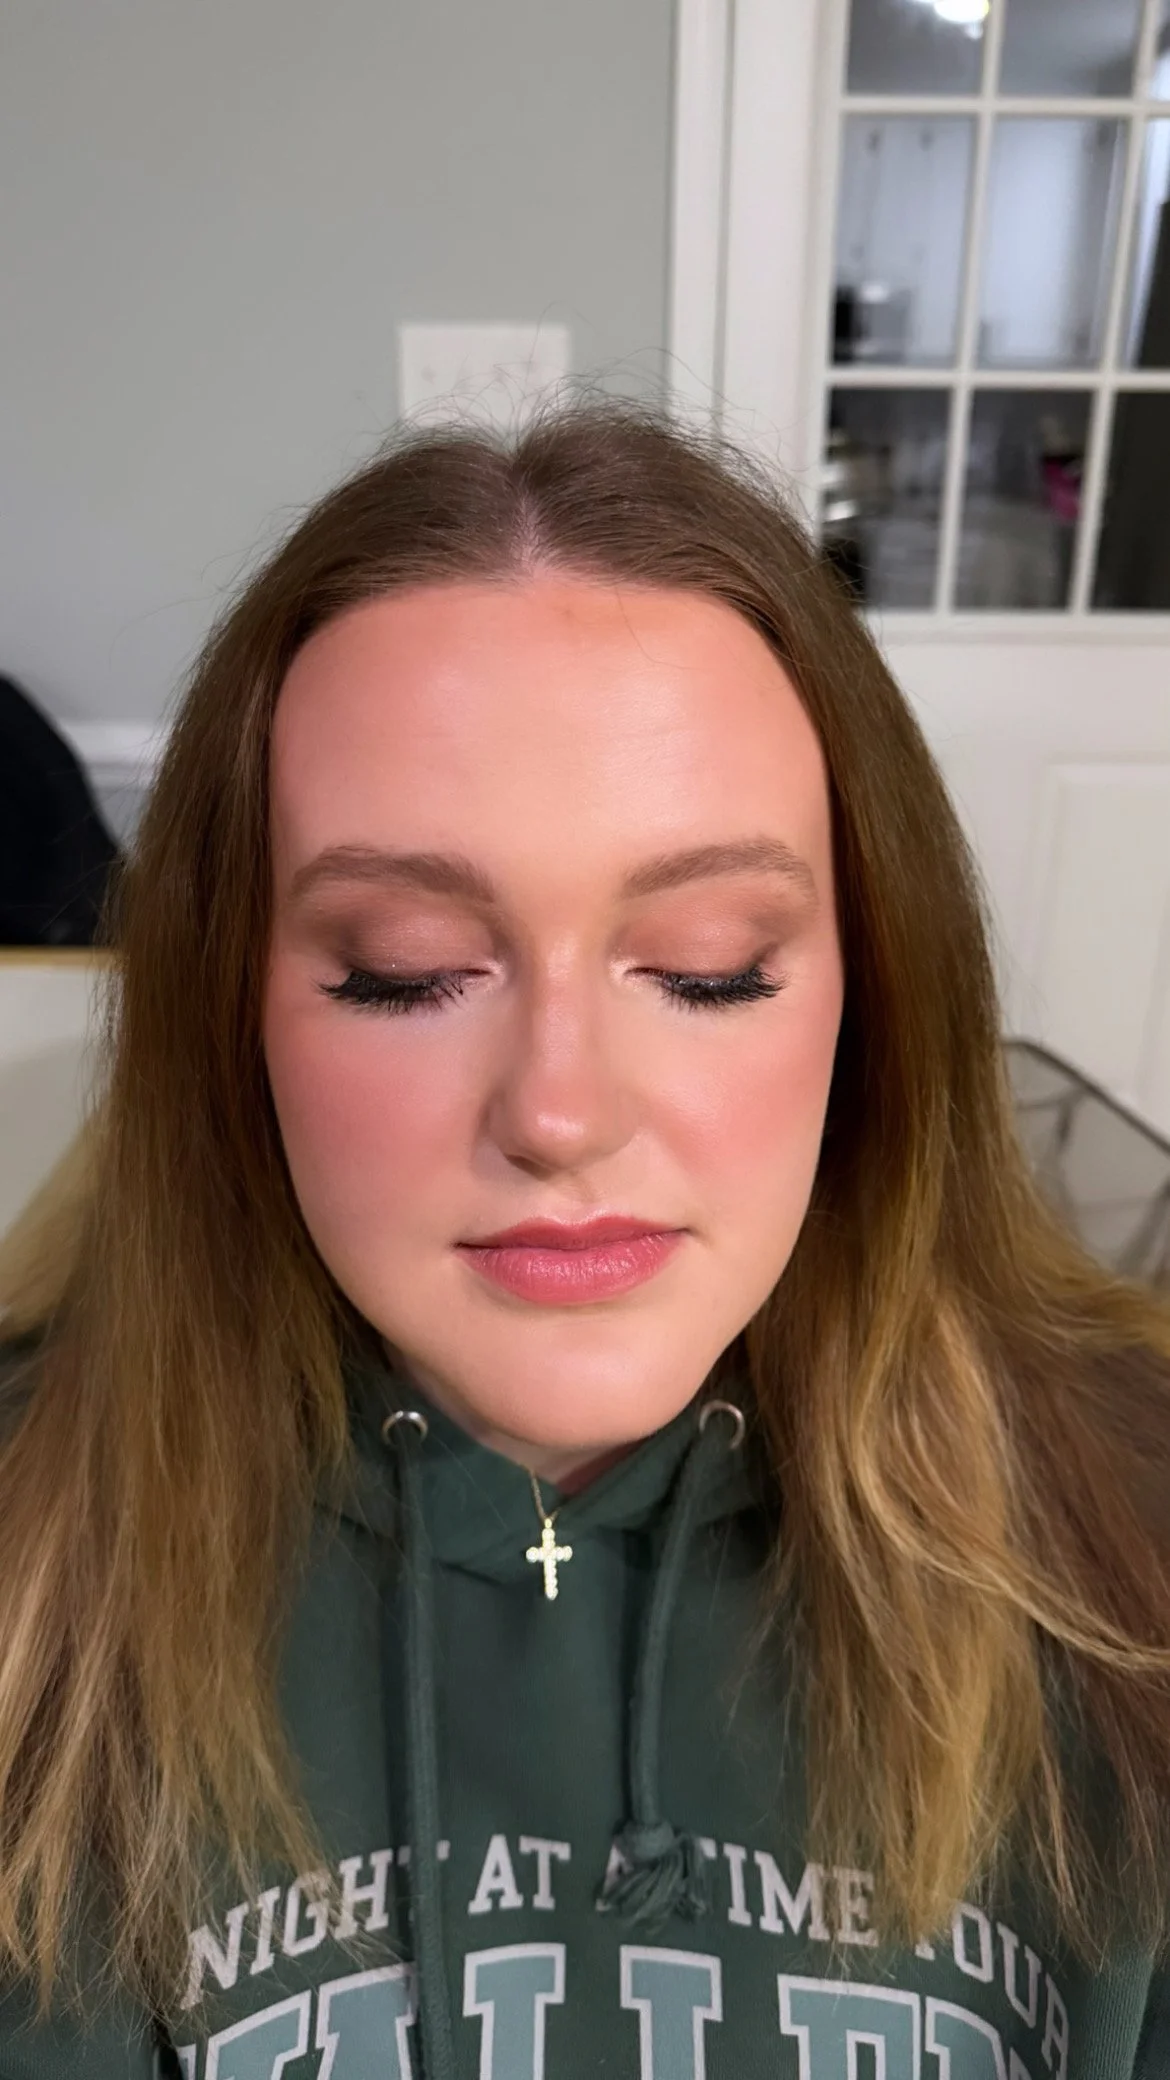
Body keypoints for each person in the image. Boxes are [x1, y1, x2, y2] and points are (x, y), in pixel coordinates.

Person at [1, 402, 1169, 2080]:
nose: (557, 1112)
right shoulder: (33, 1574)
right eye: (404, 968)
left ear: (872, 1002)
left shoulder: (1124, 1565)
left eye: (704, 968)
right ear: (231, 1020)